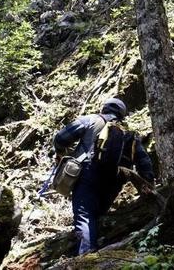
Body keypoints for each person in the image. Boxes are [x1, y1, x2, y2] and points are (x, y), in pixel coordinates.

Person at [53, 98, 154, 255]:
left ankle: (87, 257)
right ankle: (91, 250)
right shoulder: (130, 134)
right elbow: (144, 162)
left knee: (84, 215)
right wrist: (149, 184)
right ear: (122, 115)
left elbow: (61, 138)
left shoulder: (92, 120)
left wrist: (60, 152)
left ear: (104, 108)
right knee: (96, 215)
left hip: (89, 173)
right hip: (116, 180)